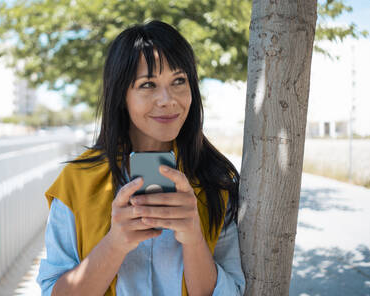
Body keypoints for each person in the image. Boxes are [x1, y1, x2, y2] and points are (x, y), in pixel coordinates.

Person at [36, 20, 245, 296]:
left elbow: (233, 292)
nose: (167, 99)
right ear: (122, 96)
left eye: (179, 81)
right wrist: (114, 244)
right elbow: (54, 291)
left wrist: (194, 237)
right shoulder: (75, 184)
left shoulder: (216, 181)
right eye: (148, 84)